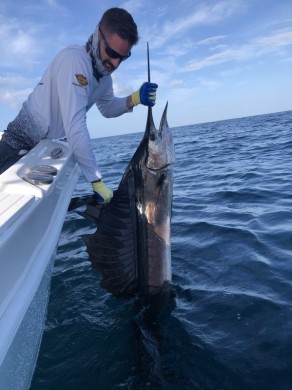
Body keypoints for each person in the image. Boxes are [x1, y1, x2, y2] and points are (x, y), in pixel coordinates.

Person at [0, 7, 158, 204]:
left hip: (42, 151)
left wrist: (134, 98)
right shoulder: (74, 61)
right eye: (111, 52)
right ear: (98, 35)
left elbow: (107, 108)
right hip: (17, 145)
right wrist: (96, 181)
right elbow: (75, 126)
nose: (116, 63)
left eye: (123, 57)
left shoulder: (104, 79)